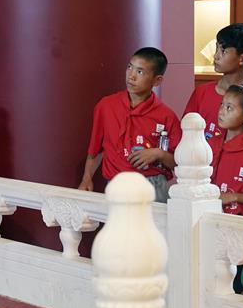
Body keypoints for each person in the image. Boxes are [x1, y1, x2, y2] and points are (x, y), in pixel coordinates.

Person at [78, 47, 182, 203]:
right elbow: (96, 150)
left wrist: (158, 154)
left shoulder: (166, 116)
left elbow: (179, 163)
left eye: (140, 72)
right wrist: (86, 179)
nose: (131, 76)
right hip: (116, 185)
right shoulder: (106, 106)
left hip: (153, 186)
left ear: (157, 80)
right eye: (129, 67)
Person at [184, 23, 243, 141]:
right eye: (216, 48)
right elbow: (185, 132)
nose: (216, 56)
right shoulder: (202, 92)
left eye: (223, 51)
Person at [208, 84, 243, 217]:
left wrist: (234, 196)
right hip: (210, 216)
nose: (221, 111)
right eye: (222, 105)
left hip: (242, 222)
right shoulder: (210, 144)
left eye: (229, 108)